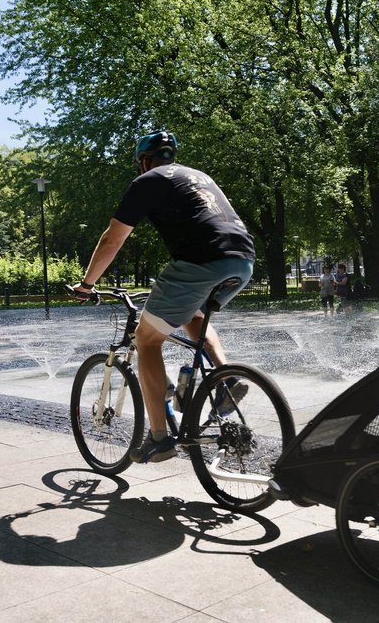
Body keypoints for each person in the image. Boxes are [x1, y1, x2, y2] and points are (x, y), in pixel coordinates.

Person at [71, 130, 254, 464]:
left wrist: (87, 284)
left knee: (146, 339)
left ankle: (159, 439)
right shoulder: (199, 176)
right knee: (191, 314)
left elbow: (112, 239)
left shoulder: (148, 181)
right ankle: (224, 378)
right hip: (242, 260)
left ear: (143, 161)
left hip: (201, 260)